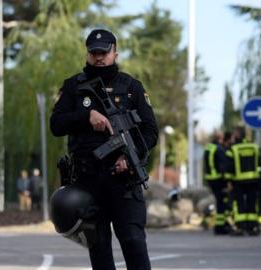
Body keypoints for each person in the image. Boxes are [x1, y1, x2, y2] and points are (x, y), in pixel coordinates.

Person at [50, 29, 158, 270]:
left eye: (104, 52)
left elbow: (151, 132)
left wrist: (128, 159)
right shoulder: (72, 87)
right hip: (87, 184)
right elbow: (56, 125)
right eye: (93, 52)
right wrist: (86, 116)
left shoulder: (132, 87)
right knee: (99, 252)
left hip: (124, 182)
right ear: (87, 54)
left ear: (115, 53)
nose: (99, 57)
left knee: (134, 242)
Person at [225, 127, 261, 236]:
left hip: (239, 181)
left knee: (239, 204)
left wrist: (229, 181)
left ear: (238, 135)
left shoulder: (233, 149)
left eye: (234, 134)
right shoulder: (254, 147)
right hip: (253, 180)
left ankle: (241, 227)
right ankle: (252, 226)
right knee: (252, 202)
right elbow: (260, 163)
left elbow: (229, 167)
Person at [203, 130, 229, 234]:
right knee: (221, 203)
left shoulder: (208, 147)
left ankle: (220, 226)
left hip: (210, 179)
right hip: (218, 180)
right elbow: (222, 166)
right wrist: (226, 180)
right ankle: (220, 227)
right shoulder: (219, 149)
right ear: (221, 138)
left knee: (219, 202)